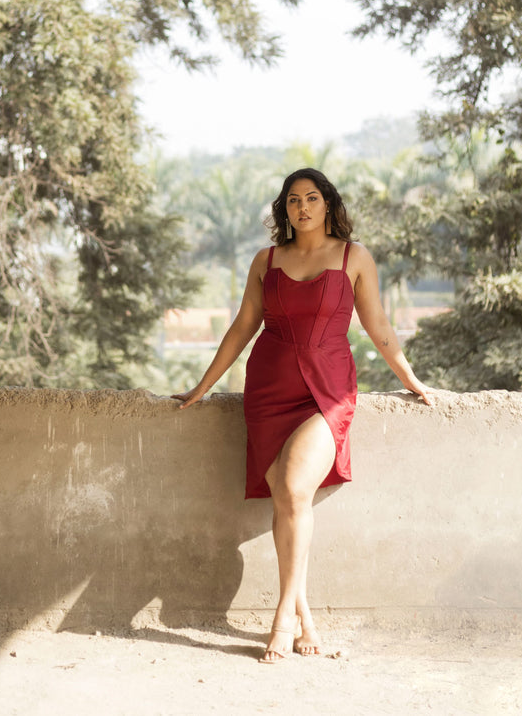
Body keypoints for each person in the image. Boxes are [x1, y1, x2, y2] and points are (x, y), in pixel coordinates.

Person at [172, 167, 434, 663]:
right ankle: (305, 614)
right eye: (292, 200)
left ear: (328, 203)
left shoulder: (355, 257)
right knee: (289, 503)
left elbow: (377, 325)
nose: (302, 207)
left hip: (328, 390)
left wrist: (409, 379)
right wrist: (202, 388)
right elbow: (241, 328)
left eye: (312, 198)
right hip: (268, 390)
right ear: (284, 209)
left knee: (293, 490)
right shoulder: (266, 260)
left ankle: (282, 617)